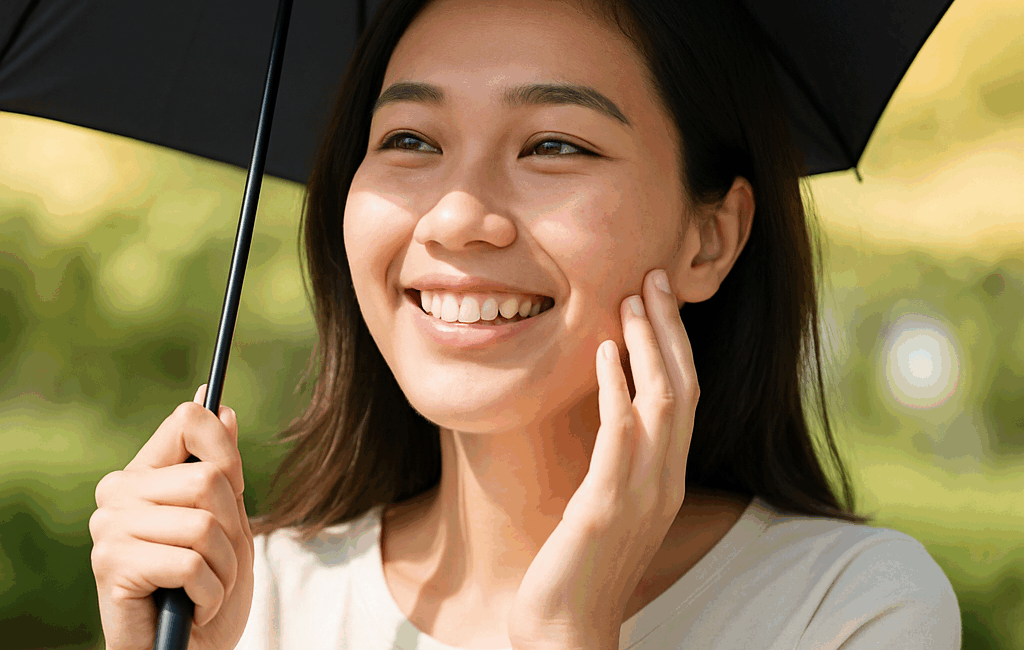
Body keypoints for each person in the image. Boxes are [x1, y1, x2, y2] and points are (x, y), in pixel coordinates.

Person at [88, 0, 962, 648]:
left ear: (712, 236)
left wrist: (565, 632)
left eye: (554, 144)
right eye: (410, 141)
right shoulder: (249, 602)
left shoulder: (848, 611)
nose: (459, 215)